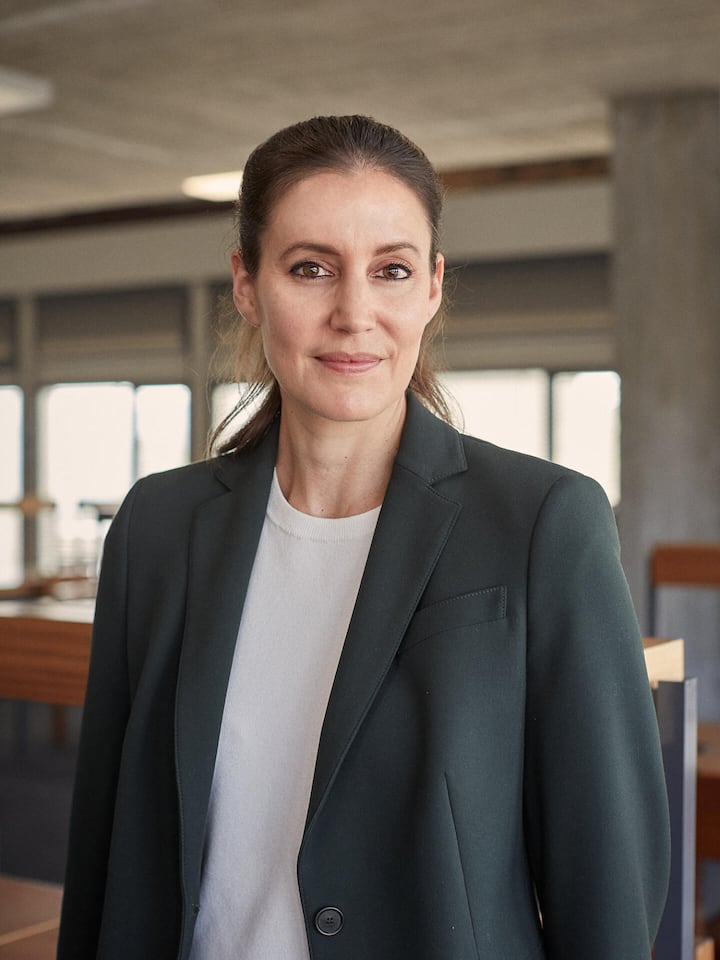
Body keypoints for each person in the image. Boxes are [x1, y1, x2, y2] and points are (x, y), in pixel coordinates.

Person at [58, 115, 670, 960]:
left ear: (431, 289)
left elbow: (607, 881)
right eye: (311, 268)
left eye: (390, 271)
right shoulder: (156, 528)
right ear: (246, 283)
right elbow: (106, 847)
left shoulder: (542, 523)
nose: (354, 313)